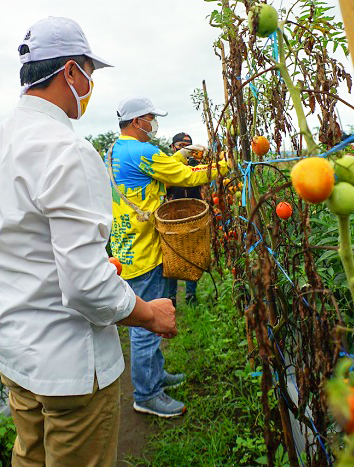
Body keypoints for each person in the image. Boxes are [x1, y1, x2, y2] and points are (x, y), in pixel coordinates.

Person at [0, 17, 177, 466]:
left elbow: (19, 249)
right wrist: (149, 314)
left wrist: (94, 269)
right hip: (71, 367)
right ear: (69, 72)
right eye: (89, 72)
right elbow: (85, 287)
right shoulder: (68, 150)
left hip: (17, 353)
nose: (90, 84)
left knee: (30, 455)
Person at [108, 97, 228, 418]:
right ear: (136, 122)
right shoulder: (141, 150)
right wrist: (224, 166)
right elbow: (186, 177)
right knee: (147, 325)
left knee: (153, 315)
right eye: (150, 118)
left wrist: (178, 155)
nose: (153, 124)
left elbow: (155, 167)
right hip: (146, 251)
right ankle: (146, 394)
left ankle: (156, 376)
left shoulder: (115, 150)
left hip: (127, 245)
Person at [164, 132, 203, 305]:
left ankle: (190, 294)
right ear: (173, 148)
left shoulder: (197, 165)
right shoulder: (168, 166)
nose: (185, 149)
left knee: (193, 254)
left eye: (189, 146)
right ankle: (171, 295)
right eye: (181, 145)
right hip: (172, 215)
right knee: (172, 255)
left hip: (194, 213)